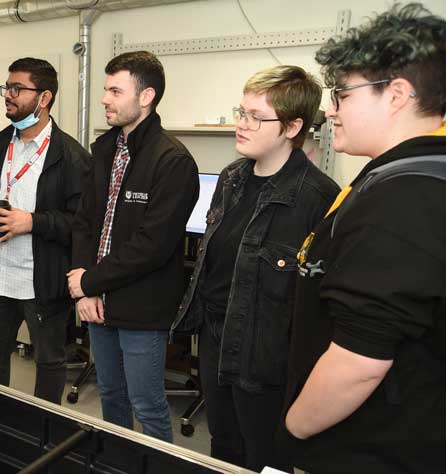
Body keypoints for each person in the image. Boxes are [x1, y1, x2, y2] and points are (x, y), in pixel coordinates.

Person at [282, 4, 446, 473]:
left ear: (397, 95)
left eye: (343, 93)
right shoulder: (404, 180)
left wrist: (293, 431)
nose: (330, 110)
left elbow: (359, 364)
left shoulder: (404, 199)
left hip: (372, 447)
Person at [171, 65, 338, 471]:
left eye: (255, 117)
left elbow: (315, 306)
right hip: (215, 339)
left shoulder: (318, 199)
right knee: (224, 446)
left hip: (266, 358)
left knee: (265, 458)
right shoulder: (232, 178)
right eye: (240, 112)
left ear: (292, 125)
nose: (241, 125)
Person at [69, 51, 198, 442]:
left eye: (114, 90)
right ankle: (117, 463)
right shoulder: (105, 149)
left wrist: (89, 281)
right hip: (97, 299)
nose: (105, 99)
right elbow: (84, 222)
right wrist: (83, 286)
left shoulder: (173, 161)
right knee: (111, 394)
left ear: (146, 97)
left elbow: (151, 247)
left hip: (142, 306)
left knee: (147, 404)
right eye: (105, 90)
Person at [0, 57, 89, 405]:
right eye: (7, 87)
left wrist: (31, 222)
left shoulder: (72, 157)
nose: (9, 94)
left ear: (44, 97)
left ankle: (44, 432)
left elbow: (80, 224)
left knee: (49, 363)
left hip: (42, 283)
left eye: (17, 88)